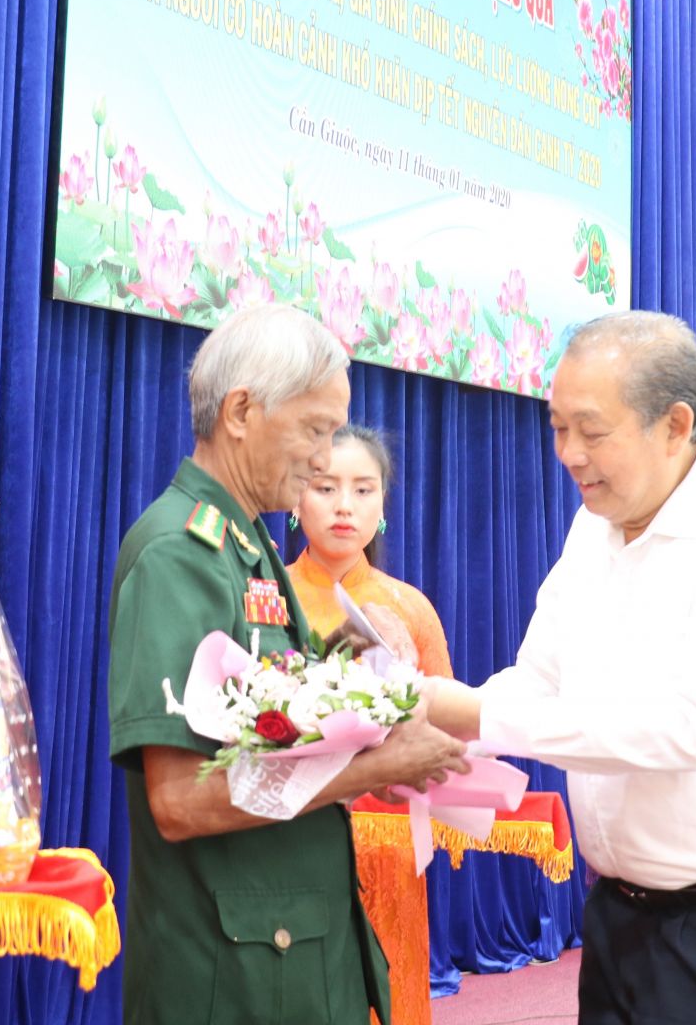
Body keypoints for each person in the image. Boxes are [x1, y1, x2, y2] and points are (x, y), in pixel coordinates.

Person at [424, 311, 696, 1025]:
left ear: (674, 426)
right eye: (557, 427)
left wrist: (474, 714)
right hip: (620, 915)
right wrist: (437, 730)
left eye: (591, 431)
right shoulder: (593, 525)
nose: (568, 454)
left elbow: (686, 729)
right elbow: (538, 677)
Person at [106, 304, 468, 1025]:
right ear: (240, 411)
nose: (323, 457)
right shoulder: (183, 555)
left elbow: (279, 739)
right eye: (314, 430)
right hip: (231, 973)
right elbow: (178, 801)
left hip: (284, 953)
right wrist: (373, 770)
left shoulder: (251, 549)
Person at [286, 425, 453, 1025]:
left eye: (363, 489)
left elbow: (447, 736)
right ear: (297, 495)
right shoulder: (268, 599)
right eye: (325, 487)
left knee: (393, 996)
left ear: (383, 504)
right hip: (295, 840)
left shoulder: (410, 607)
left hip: (389, 852)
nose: (343, 505)